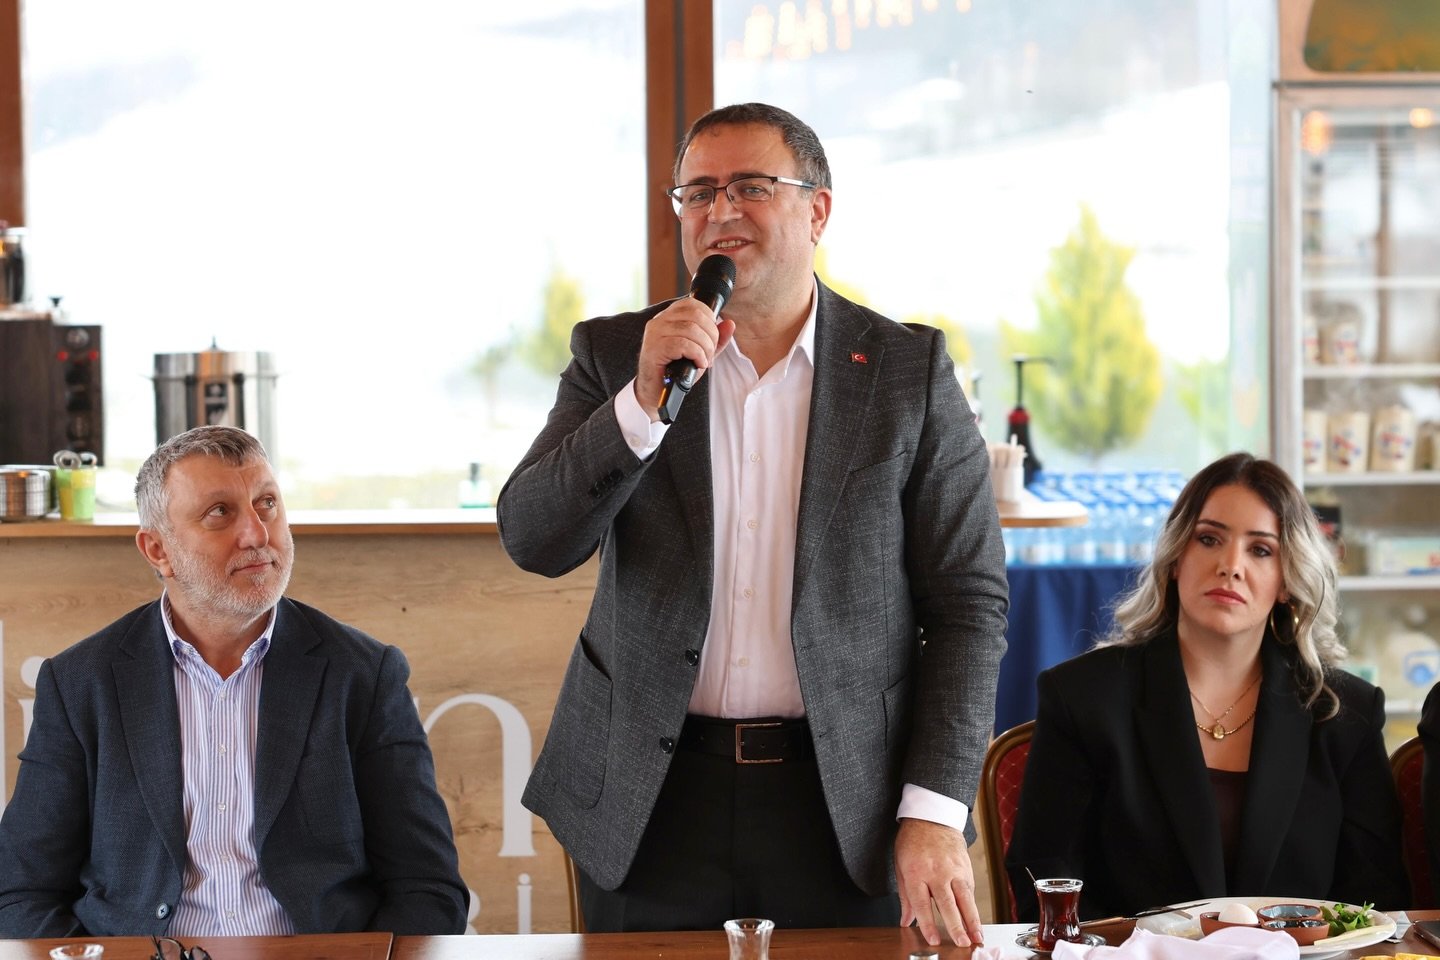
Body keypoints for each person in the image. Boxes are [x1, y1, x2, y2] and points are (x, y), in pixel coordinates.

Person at [497, 102, 1008, 945]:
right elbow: (533, 539)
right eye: (697, 192)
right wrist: (638, 406)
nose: (720, 210)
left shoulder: (906, 371)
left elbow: (969, 606)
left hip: (847, 803)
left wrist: (932, 811)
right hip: (651, 798)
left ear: (819, 210)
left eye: (752, 186)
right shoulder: (620, 353)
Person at [0, 426, 467, 938]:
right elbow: (20, 892)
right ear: (157, 549)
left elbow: (427, 888)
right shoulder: (80, 683)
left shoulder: (363, 674)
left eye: (267, 504)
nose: (257, 534)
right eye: (220, 512)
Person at [1005, 452, 1408, 920]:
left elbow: (1376, 899)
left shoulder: (1346, 712)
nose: (1230, 565)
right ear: (1176, 557)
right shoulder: (1082, 697)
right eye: (1209, 539)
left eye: (1261, 550)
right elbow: (1046, 878)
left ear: (1286, 582)